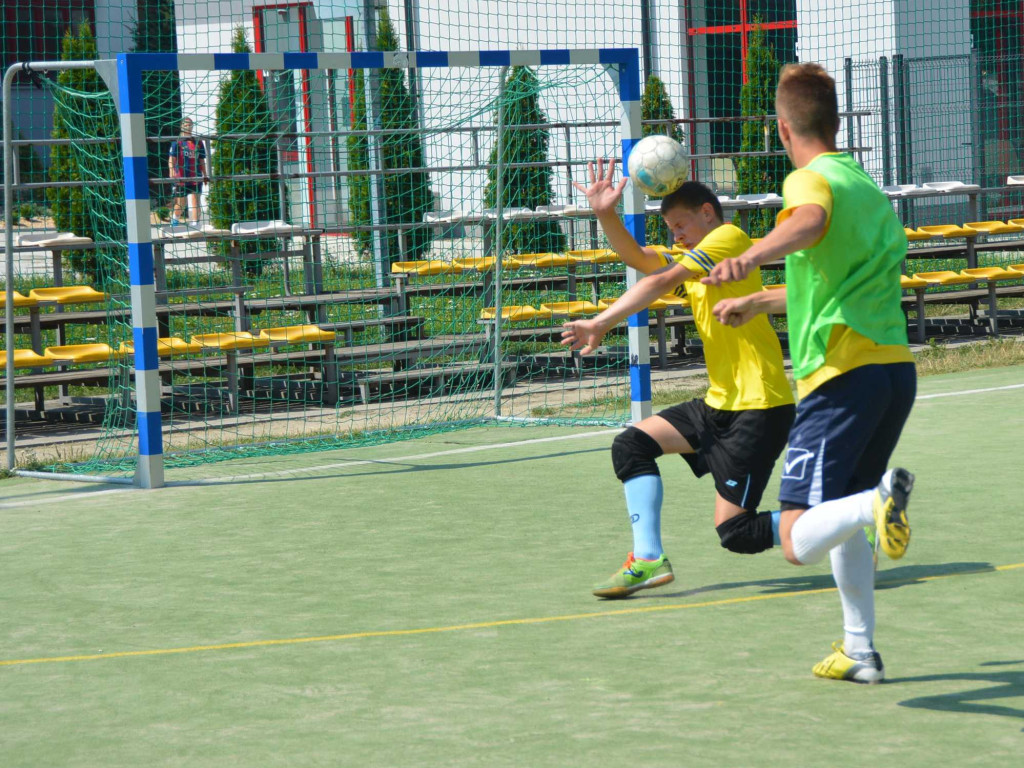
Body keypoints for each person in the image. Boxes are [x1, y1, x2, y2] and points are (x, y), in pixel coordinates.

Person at [703, 63, 916, 684]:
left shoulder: (810, 179)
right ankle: (859, 650)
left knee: (796, 538)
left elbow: (808, 223)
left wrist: (747, 256)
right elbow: (829, 281)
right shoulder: (864, 185)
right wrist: (757, 300)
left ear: (781, 128)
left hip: (840, 374)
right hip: (891, 371)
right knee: (847, 514)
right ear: (838, 121)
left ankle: (879, 503)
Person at [561, 161, 795, 600]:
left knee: (737, 532)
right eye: (669, 227)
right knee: (632, 444)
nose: (675, 234)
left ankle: (849, 519)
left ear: (708, 213)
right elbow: (640, 260)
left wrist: (602, 322)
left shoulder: (729, 239)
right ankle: (648, 559)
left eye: (680, 224)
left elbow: (664, 277)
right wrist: (605, 214)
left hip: (759, 406)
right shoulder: (695, 259)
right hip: (719, 404)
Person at [168, 118, 206, 226]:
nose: (188, 127)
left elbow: (202, 160)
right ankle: (175, 220)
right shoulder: (177, 142)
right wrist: (171, 171)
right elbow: (171, 159)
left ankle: (195, 223)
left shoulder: (198, 142)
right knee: (181, 202)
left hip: (195, 176)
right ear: (182, 126)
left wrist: (205, 174)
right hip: (181, 177)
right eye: (186, 125)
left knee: (195, 200)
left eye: (190, 125)